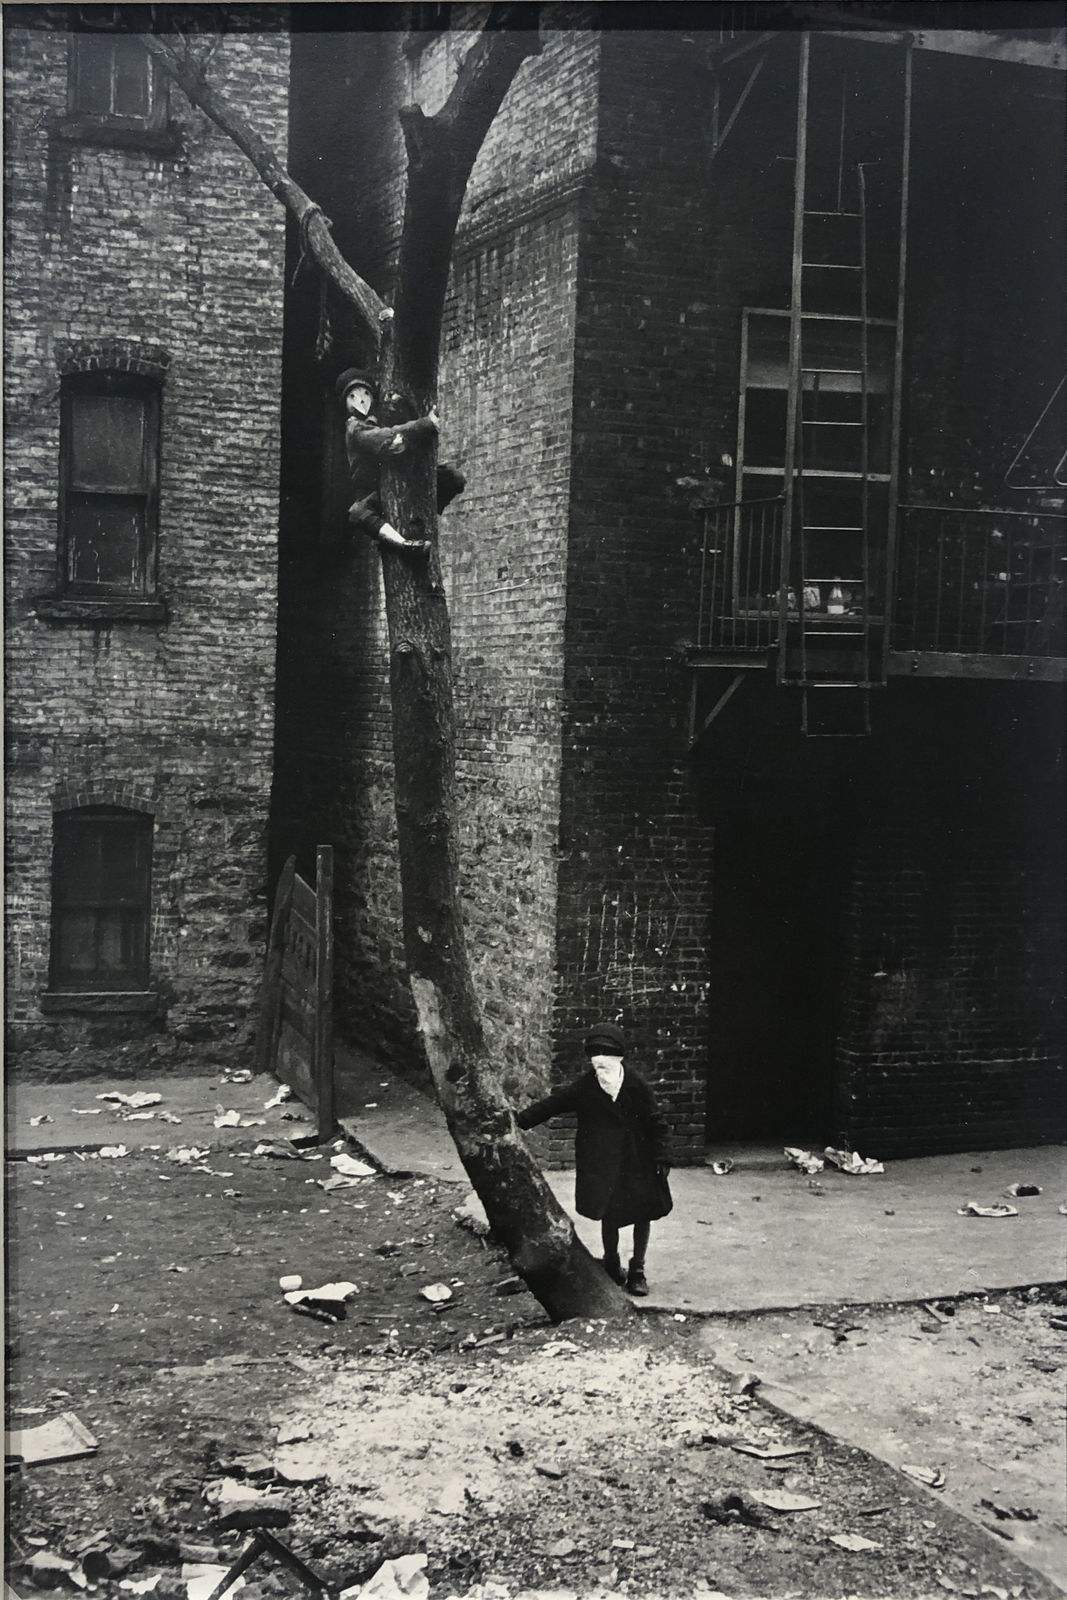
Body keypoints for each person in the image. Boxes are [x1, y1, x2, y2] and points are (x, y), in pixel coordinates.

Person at [516, 1021, 672, 1296]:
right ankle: (612, 1263)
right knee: (609, 1214)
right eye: (596, 1059)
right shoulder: (586, 1087)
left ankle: (637, 1270)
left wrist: (662, 1157)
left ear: (619, 1058)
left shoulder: (635, 1085)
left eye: (606, 1058)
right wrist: (521, 1120)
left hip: (637, 1161)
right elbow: (555, 1103)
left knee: (642, 1214)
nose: (601, 1065)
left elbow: (656, 1122)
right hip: (602, 1164)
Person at [336, 367, 466, 554]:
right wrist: (423, 425)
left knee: (452, 476)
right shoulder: (355, 428)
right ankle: (402, 544)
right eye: (352, 396)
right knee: (360, 512)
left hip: (404, 472)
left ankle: (426, 508)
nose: (361, 400)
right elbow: (383, 438)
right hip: (373, 487)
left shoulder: (381, 416)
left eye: (365, 393)